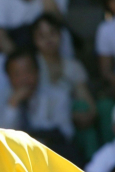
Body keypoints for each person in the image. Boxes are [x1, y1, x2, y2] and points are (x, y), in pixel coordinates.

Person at [32, 14, 98, 151]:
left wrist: (79, 116)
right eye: (42, 36)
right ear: (34, 40)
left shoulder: (73, 66)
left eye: (52, 33)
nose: (48, 40)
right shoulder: (30, 65)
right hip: (36, 126)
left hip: (67, 128)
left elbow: (89, 106)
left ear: (61, 35)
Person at [0, 0, 70, 55]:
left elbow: (56, 23)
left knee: (64, 36)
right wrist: (20, 58)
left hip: (51, 52)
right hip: (16, 51)